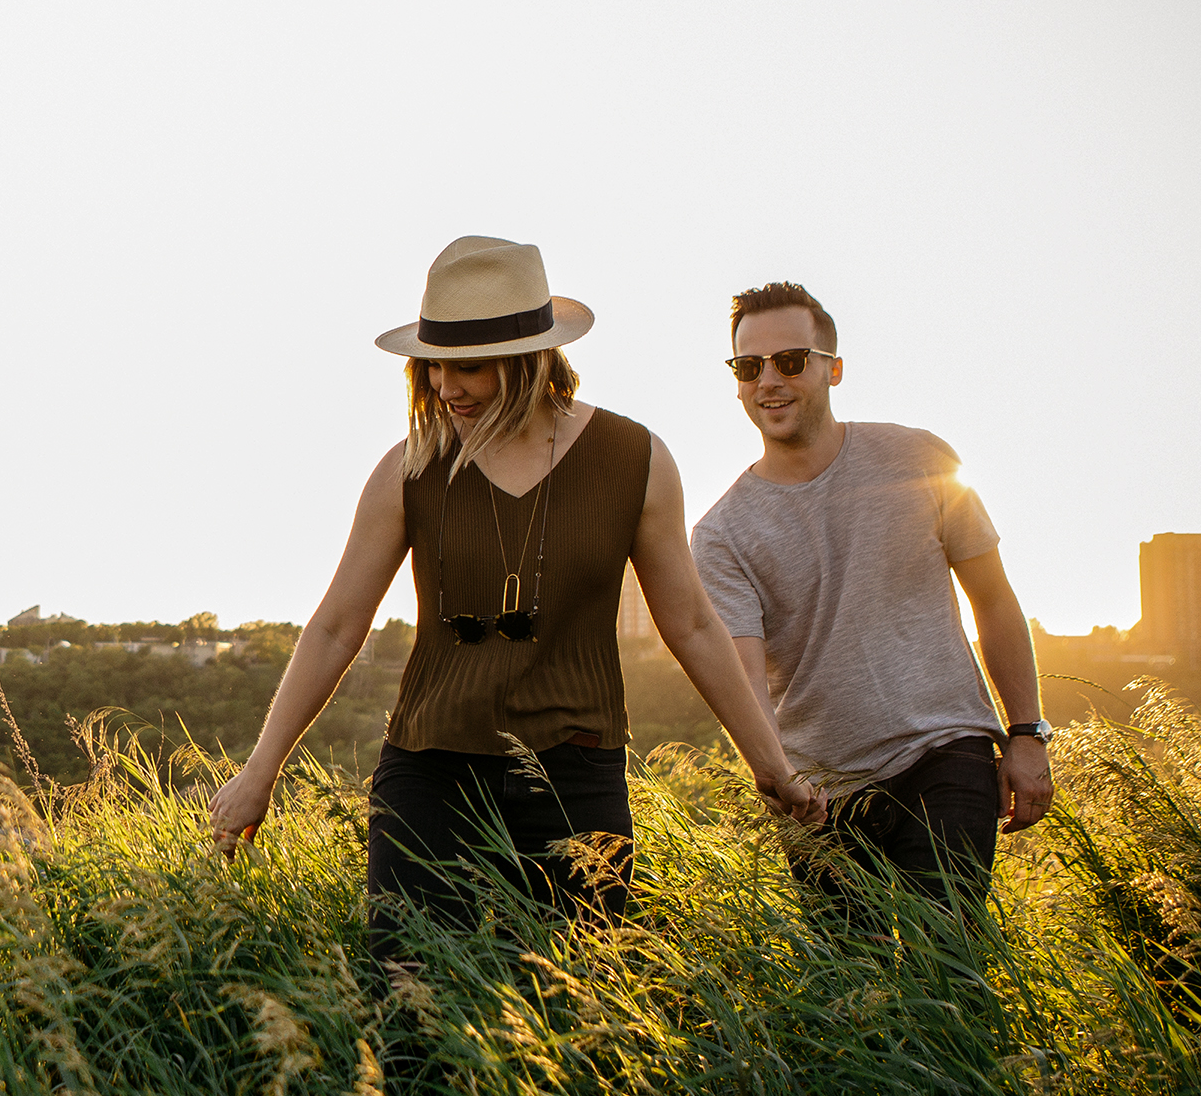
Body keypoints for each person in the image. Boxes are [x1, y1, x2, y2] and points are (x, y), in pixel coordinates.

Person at [210, 237, 816, 951]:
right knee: (410, 1009)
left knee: (582, 1019)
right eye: (433, 364)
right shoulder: (410, 468)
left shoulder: (635, 460)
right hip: (429, 775)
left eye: (467, 367)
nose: (444, 385)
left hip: (577, 776)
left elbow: (691, 624)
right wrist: (261, 769)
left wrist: (769, 767)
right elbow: (338, 627)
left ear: (530, 357)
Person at [692, 280, 1054, 921]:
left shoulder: (921, 459)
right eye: (749, 367)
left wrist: (1026, 734)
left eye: (790, 361)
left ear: (833, 368)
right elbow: (743, 674)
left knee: (945, 958)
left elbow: (995, 602)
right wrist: (774, 772)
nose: (769, 380)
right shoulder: (721, 533)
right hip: (819, 792)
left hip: (945, 751)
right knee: (855, 997)